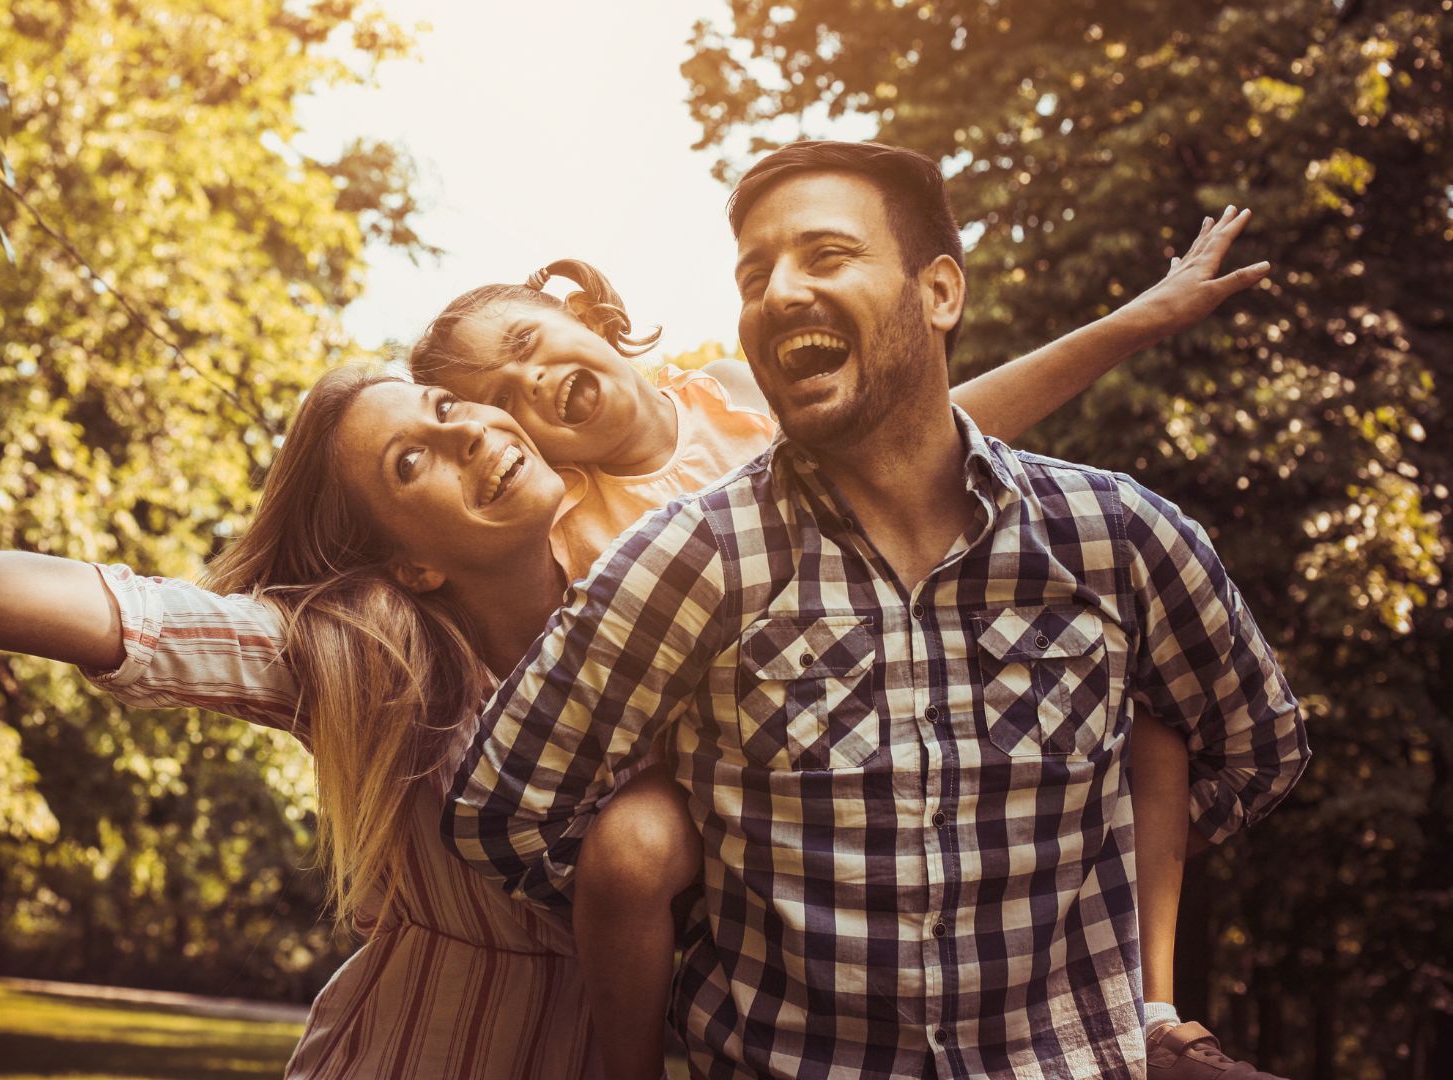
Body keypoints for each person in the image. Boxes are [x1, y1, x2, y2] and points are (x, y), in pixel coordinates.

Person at [0, 183, 1254, 1079]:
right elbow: (79, 604)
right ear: (406, 554)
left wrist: (1142, 319)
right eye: (421, 453)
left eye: (479, 404)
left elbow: (949, 436)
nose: (485, 429)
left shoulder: (699, 594)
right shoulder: (357, 655)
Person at [442, 140, 1309, 1080]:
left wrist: (1086, 878)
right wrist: (719, 897)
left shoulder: (1116, 537)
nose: (777, 292)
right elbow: (505, 814)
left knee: (1154, 727)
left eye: (825, 256)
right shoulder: (675, 556)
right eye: (754, 274)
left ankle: (1154, 1014)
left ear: (939, 292)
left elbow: (1255, 747)